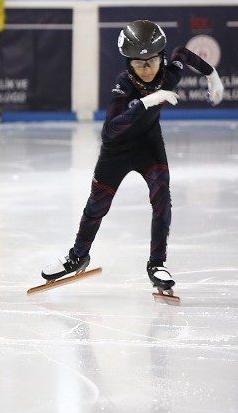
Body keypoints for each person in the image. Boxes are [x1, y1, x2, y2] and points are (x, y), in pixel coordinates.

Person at [40, 20, 224, 293]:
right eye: (138, 63)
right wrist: (146, 102)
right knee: (96, 206)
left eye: (152, 61)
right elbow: (110, 130)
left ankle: (157, 264)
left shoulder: (169, 74)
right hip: (116, 152)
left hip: (149, 146)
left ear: (160, 58)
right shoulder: (123, 85)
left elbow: (182, 54)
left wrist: (212, 75)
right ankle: (77, 256)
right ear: (128, 63)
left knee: (162, 200)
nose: (147, 69)